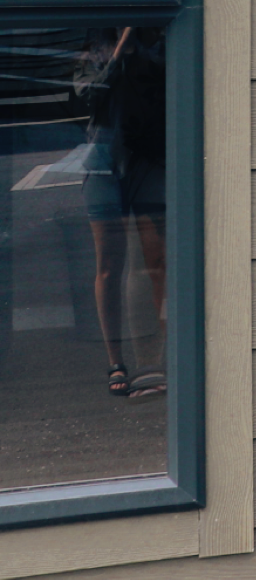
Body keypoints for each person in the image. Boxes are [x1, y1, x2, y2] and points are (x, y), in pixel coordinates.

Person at [79, 27, 167, 401]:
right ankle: (116, 361)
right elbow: (87, 96)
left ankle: (156, 360)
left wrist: (138, 49)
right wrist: (118, 52)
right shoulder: (95, 45)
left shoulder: (157, 41)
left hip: (148, 161)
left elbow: (167, 81)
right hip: (102, 164)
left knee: (154, 261)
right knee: (109, 264)